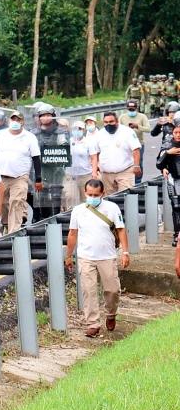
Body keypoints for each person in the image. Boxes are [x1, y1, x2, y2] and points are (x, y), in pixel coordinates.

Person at [64, 179, 127, 338]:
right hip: (86, 257)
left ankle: (111, 313)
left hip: (107, 256)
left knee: (112, 290)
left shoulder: (112, 208)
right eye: (89, 194)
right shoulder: (78, 211)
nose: (92, 197)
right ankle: (93, 324)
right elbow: (73, 233)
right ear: (84, 193)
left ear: (103, 194)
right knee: (89, 291)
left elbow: (121, 230)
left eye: (96, 195)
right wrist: (69, 255)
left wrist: (125, 252)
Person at [0, 110, 42, 233]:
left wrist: (38, 179)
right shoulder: (0, 135)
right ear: (9, 121)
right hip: (1, 176)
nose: (16, 122)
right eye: (13, 120)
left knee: (16, 202)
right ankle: (7, 227)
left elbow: (36, 158)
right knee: (3, 204)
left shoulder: (29, 137)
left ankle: (14, 232)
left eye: (19, 120)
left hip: (20, 176)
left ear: (23, 123)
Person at [89, 111, 141, 193]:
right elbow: (96, 153)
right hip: (106, 174)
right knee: (109, 200)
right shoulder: (100, 134)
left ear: (117, 121)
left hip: (125, 172)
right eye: (106, 122)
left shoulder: (127, 132)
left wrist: (137, 166)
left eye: (111, 122)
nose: (108, 124)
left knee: (126, 198)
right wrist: (95, 168)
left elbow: (136, 149)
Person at [157, 126, 180, 246]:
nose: (178, 135)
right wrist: (167, 153)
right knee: (176, 207)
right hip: (174, 179)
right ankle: (177, 235)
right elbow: (159, 163)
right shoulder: (167, 144)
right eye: (176, 132)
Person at [121, 101, 151, 182]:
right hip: (126, 144)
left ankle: (138, 181)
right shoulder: (122, 117)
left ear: (136, 109)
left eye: (133, 110)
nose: (131, 111)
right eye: (129, 110)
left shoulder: (142, 117)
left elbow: (148, 129)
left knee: (138, 163)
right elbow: (118, 129)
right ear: (127, 109)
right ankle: (128, 180)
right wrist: (126, 128)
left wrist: (137, 126)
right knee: (126, 163)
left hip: (139, 143)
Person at [68, 121, 94, 203]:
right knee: (70, 197)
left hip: (85, 173)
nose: (77, 131)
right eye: (75, 129)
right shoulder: (68, 142)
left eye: (79, 129)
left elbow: (93, 158)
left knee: (86, 197)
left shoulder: (88, 142)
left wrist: (94, 172)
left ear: (83, 130)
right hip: (71, 174)